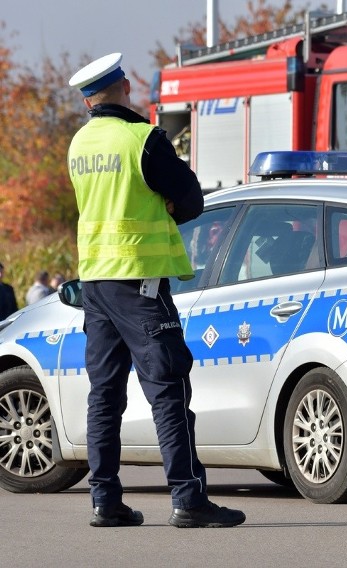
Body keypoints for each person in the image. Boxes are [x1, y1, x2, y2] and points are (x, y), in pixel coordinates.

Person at [67, 53, 245, 528]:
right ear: (125, 86)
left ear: (87, 99)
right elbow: (190, 197)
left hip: (96, 281)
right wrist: (170, 203)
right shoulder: (142, 139)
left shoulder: (79, 145)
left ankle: (104, 501)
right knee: (168, 388)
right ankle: (188, 498)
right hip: (140, 279)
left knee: (104, 394)